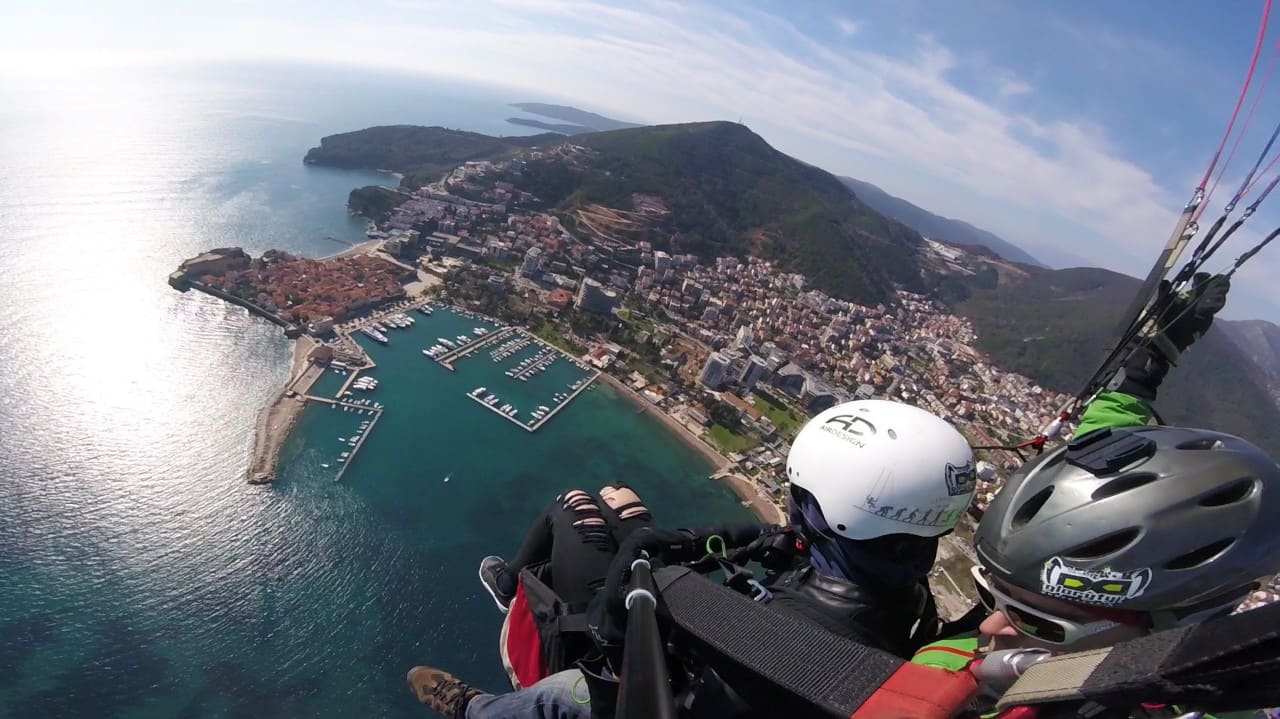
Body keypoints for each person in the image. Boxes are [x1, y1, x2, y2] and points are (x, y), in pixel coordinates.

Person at [407, 398, 978, 717]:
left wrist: (645, 551)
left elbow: (623, 654)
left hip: (622, 675)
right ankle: (515, 584)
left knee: (573, 511)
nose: (791, 508)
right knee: (612, 501)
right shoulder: (904, 595)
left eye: (801, 498)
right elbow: (782, 550)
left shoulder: (779, 640)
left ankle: (475, 706)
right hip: (697, 633)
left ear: (838, 511)